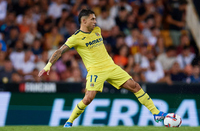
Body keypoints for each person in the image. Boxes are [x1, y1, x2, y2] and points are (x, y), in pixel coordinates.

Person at [38, 9, 167, 128]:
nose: (95, 21)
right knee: (88, 98)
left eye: (95, 19)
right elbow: (60, 51)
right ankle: (69, 122)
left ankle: (156, 113)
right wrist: (48, 65)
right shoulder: (75, 38)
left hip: (111, 67)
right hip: (95, 71)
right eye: (92, 19)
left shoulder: (97, 30)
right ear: (84, 21)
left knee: (135, 86)